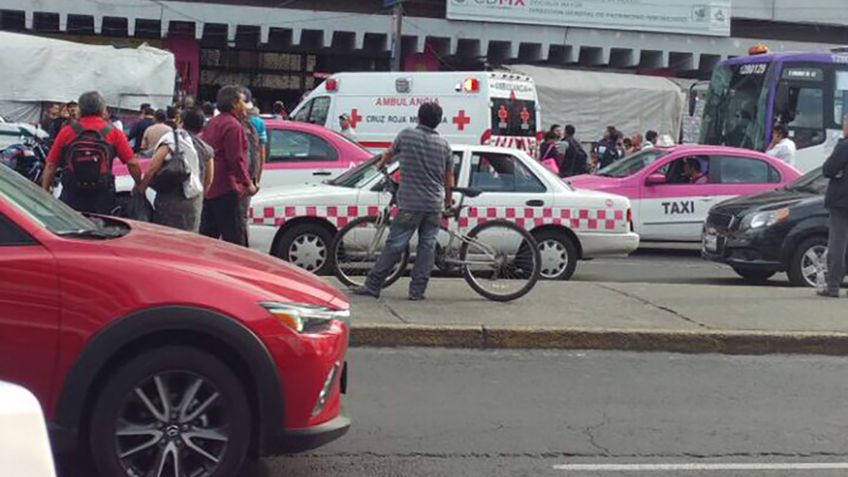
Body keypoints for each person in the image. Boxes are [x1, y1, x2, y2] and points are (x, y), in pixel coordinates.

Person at [352, 102, 454, 301]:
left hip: (410, 202)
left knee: (396, 243)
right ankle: (417, 291)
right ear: (438, 122)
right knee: (427, 246)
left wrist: (381, 165)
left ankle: (373, 285)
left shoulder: (407, 135)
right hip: (434, 204)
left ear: (418, 117)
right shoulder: (444, 145)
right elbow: (449, 177)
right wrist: (448, 201)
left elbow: (389, 154)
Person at [41, 91, 142, 214]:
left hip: (72, 194)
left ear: (80, 109)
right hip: (101, 196)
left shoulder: (67, 132)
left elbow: (51, 165)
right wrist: (139, 185)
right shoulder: (114, 133)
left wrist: (45, 191)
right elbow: (132, 163)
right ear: (102, 109)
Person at [136, 107, 210, 232]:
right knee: (188, 241)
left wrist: (141, 188)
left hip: (168, 202)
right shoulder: (206, 149)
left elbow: (152, 168)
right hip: (193, 203)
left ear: (181, 121)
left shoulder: (171, 141)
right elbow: (209, 179)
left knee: (165, 239)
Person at [199, 85, 255, 246]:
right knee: (236, 239)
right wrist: (247, 183)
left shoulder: (213, 123)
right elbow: (235, 159)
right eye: (243, 101)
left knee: (208, 237)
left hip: (211, 186)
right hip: (227, 188)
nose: (245, 106)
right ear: (234, 104)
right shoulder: (233, 126)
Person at [819, 116, 848, 297]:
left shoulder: (844, 146)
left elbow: (828, 169)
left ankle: (833, 286)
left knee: (838, 243)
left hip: (841, 201)